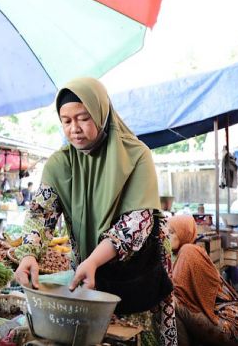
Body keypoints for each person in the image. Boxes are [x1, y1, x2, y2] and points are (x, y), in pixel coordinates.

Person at [14, 77, 177, 345]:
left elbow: (136, 223)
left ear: (101, 113)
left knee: (136, 338)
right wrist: (29, 253)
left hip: (138, 274)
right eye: (66, 121)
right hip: (90, 279)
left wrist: (93, 260)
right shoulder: (60, 164)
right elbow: (40, 216)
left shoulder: (136, 156)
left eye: (83, 118)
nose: (74, 129)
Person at [168, 215, 238, 346]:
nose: (167, 236)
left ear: (183, 233)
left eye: (171, 232)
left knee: (171, 304)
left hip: (235, 328)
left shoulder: (188, 251)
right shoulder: (190, 251)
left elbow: (176, 291)